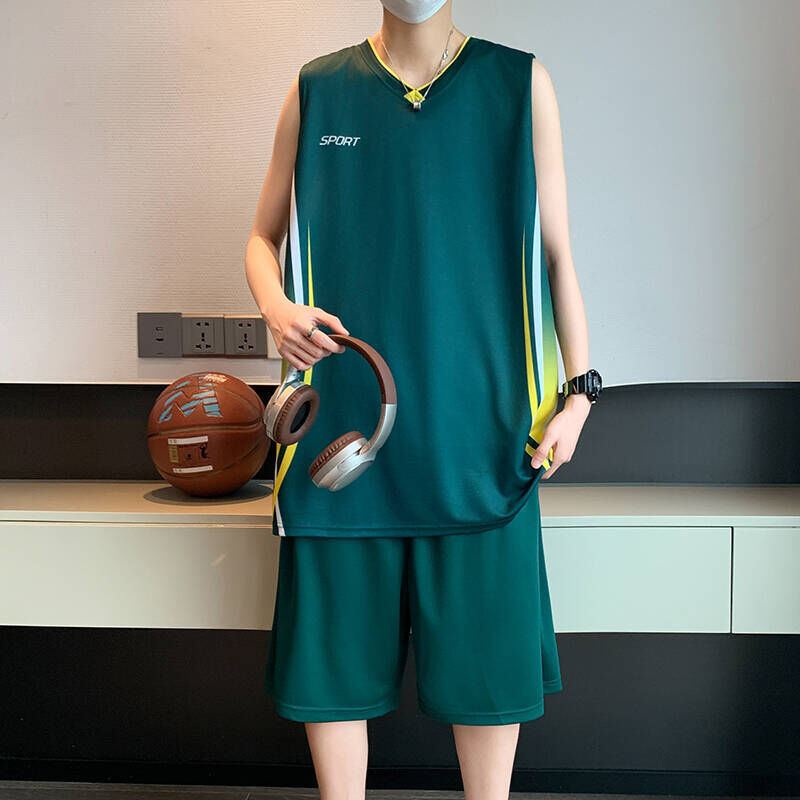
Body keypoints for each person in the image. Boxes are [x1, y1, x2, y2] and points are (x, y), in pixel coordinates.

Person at [245, 0, 597, 797]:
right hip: (341, 439)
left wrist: (579, 396)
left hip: (481, 441)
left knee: (487, 684)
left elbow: (556, 254)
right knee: (331, 680)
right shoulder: (317, 88)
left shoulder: (520, 84)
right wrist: (276, 307)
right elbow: (262, 236)